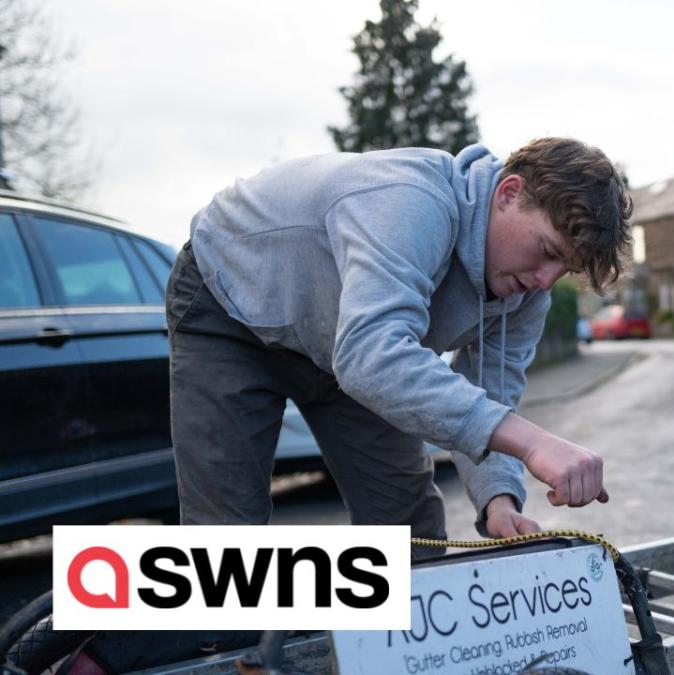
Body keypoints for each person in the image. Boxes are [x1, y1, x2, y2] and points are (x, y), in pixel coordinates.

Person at [166, 137, 632, 553]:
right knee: (224, 551)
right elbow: (372, 355)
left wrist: (498, 499)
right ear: (508, 194)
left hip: (343, 343)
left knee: (410, 534)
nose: (544, 280)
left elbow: (490, 394)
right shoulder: (413, 201)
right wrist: (534, 444)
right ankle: (102, 646)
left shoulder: (526, 290)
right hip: (232, 302)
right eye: (548, 251)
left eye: (563, 269)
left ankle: (386, 650)